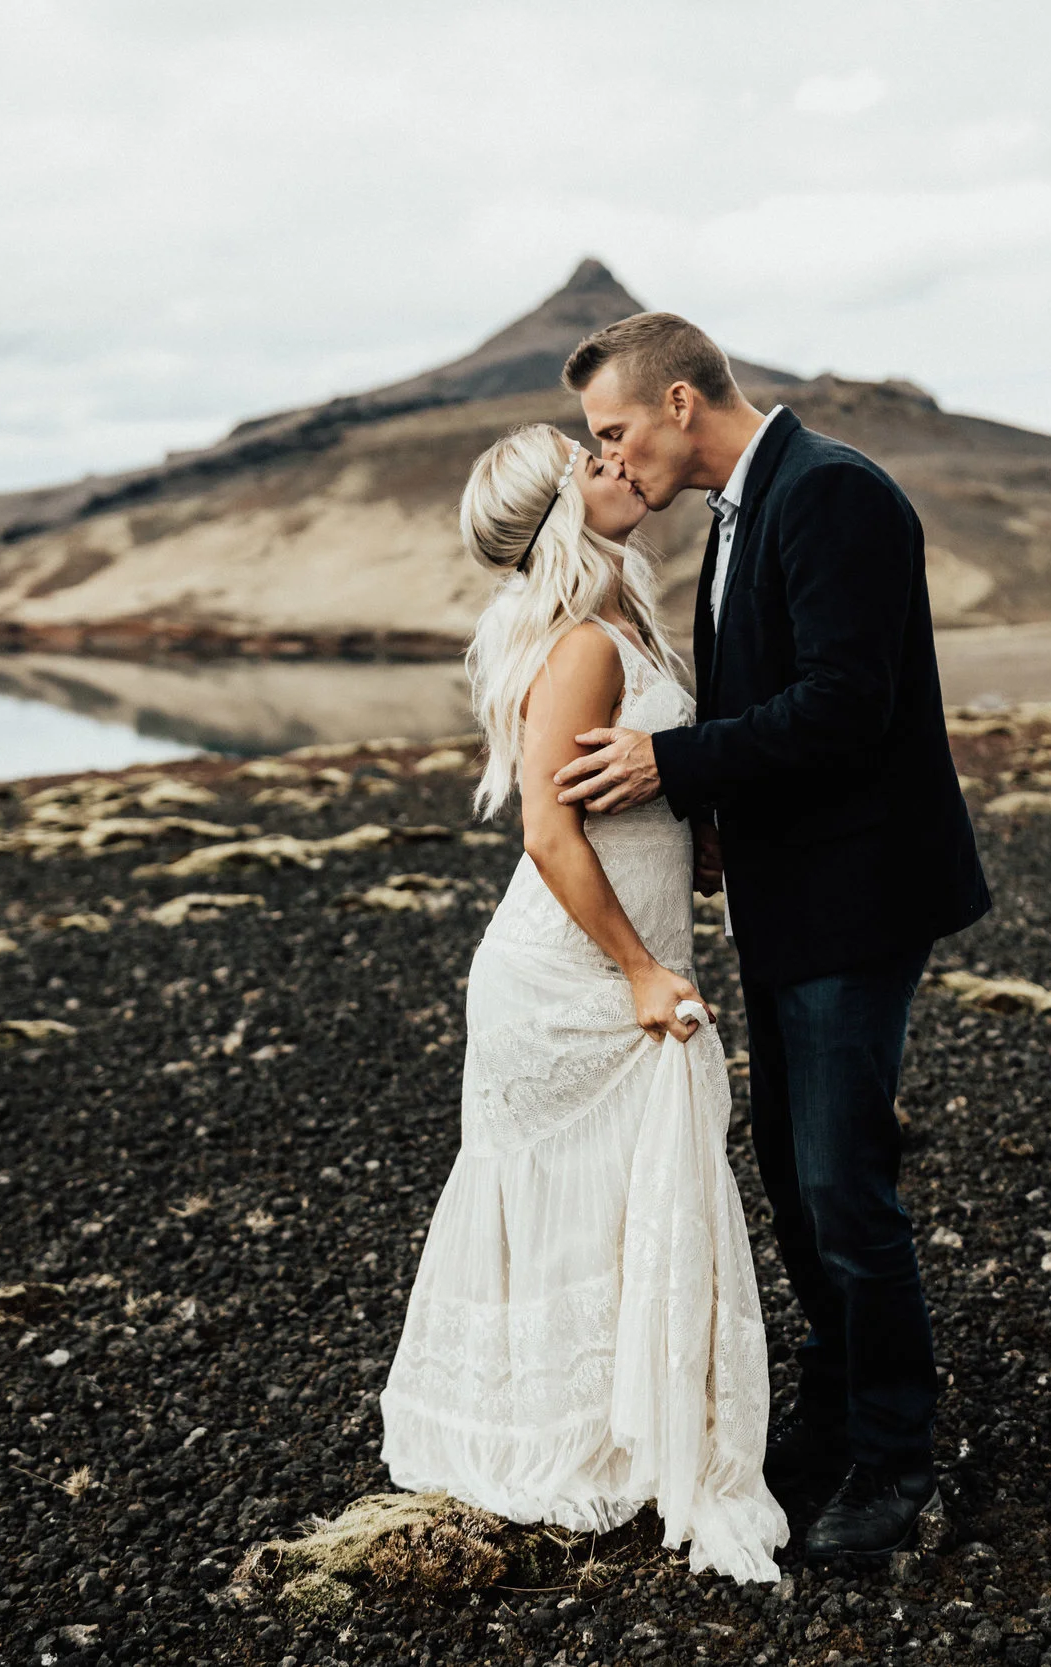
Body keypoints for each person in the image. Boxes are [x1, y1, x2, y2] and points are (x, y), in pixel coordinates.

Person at [554, 312, 991, 1558]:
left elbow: (851, 706)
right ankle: (835, 1412)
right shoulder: (744, 510)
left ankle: (896, 1463)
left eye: (615, 429)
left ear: (681, 402)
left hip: (857, 897)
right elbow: (771, 697)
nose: (611, 457)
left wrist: (668, 762)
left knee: (845, 1187)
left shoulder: (833, 494)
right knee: (801, 1188)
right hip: (789, 895)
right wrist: (716, 822)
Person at [377, 423, 787, 1583]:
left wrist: (691, 830)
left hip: (613, 946)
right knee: (597, 1187)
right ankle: (569, 1437)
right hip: (568, 974)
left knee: (620, 1197)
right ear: (562, 510)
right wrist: (643, 969)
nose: (618, 461)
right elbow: (548, 832)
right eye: (588, 462)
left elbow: (622, 790)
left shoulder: (622, 619)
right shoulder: (581, 648)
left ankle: (610, 1423)